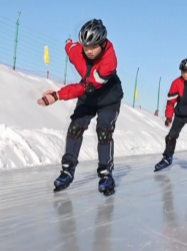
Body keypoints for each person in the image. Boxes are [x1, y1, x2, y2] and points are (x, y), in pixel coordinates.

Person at [37, 19, 123, 196]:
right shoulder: (78, 51)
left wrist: (56, 95)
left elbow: (86, 87)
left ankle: (106, 174)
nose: (89, 51)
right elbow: (70, 48)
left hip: (107, 97)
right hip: (88, 95)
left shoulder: (109, 61)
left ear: (103, 43)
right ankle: (67, 170)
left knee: (104, 131)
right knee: (75, 127)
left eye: (93, 47)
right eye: (86, 46)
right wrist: (69, 43)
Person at [154, 58, 187, 174]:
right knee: (170, 137)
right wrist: (169, 117)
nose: (185, 74)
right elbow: (171, 102)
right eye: (183, 71)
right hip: (180, 114)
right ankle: (167, 158)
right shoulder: (176, 83)